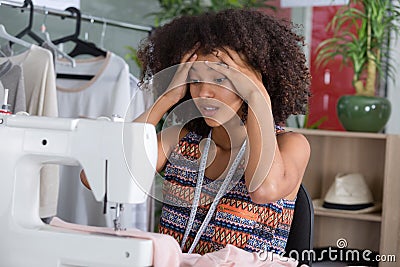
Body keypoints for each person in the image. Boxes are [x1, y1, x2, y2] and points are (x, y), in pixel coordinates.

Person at [82, 8, 311, 257]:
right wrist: (167, 98)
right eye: (194, 79)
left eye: (220, 80)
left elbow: (263, 189)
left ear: (256, 80)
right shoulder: (180, 140)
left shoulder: (291, 145)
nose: (203, 93)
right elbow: (100, 178)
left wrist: (257, 95)